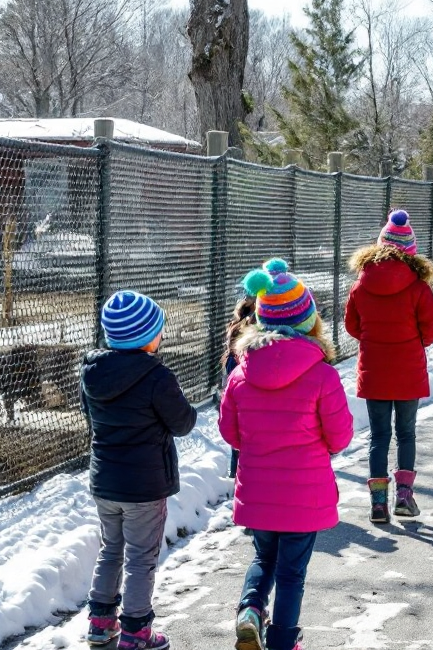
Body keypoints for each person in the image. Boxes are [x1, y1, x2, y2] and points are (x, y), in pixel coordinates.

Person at [220, 259, 354, 650]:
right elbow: (341, 435)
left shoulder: (240, 374)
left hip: (259, 488)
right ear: (308, 320)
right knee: (292, 572)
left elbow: (231, 432)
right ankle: (282, 642)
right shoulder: (322, 374)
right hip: (304, 493)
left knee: (263, 559)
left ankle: (249, 610)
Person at [82, 290, 198, 650]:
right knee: (140, 558)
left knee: (111, 549)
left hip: (104, 480)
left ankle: (100, 623)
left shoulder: (92, 372)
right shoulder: (157, 377)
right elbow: (182, 423)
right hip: (144, 486)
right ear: (148, 335)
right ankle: (136, 630)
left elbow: (90, 418)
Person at [345, 209, 433, 524]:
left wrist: (373, 340)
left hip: (374, 370)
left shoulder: (361, 286)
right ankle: (403, 497)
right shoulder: (418, 288)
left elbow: (352, 325)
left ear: (379, 245)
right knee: (406, 433)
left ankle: (377, 504)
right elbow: (431, 329)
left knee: (379, 436)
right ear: (411, 251)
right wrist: (413, 342)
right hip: (408, 371)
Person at [223, 294, 258, 478]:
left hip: (234, 384)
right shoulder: (252, 330)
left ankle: (233, 473)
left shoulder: (233, 328)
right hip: (247, 385)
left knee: (237, 431)